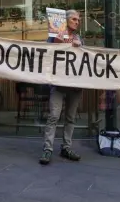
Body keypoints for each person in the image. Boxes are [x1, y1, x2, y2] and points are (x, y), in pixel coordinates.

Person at [39, 9, 83, 165]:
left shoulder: (79, 38)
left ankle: (66, 147)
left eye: (78, 20)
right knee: (54, 116)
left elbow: (84, 58)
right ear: (66, 20)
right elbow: (46, 54)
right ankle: (48, 149)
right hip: (58, 83)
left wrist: (78, 47)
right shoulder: (53, 37)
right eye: (74, 19)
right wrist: (57, 44)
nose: (77, 22)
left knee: (70, 118)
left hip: (74, 84)